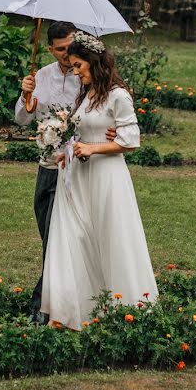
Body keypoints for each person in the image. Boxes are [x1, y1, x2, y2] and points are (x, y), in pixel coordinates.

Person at [40, 31, 158, 330]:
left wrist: (96, 147)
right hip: (78, 176)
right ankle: (71, 311)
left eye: (79, 65)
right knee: (74, 237)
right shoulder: (87, 94)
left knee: (109, 239)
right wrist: (68, 148)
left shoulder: (118, 95)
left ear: (94, 63)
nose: (76, 71)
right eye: (74, 65)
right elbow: (83, 131)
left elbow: (131, 140)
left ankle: (126, 308)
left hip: (106, 176)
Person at [15, 21, 115, 325]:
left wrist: (108, 133)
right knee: (49, 236)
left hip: (76, 170)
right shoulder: (40, 77)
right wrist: (25, 96)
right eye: (59, 49)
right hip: (47, 168)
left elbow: (101, 113)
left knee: (63, 240)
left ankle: (43, 308)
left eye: (69, 48)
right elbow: (21, 120)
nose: (65, 54)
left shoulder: (85, 77)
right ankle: (63, 301)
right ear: (49, 49)